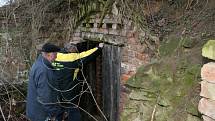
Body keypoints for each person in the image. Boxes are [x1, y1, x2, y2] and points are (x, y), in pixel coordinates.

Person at [52, 42, 104, 121]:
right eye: (76, 51)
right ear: (72, 51)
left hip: (56, 91)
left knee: (59, 110)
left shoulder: (56, 56)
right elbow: (87, 55)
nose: (77, 52)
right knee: (73, 111)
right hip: (69, 92)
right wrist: (99, 48)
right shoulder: (72, 58)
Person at [26, 43, 63, 121]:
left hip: (36, 112)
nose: (56, 57)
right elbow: (45, 96)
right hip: (42, 115)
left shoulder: (38, 63)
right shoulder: (44, 70)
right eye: (55, 54)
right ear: (49, 55)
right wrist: (53, 114)